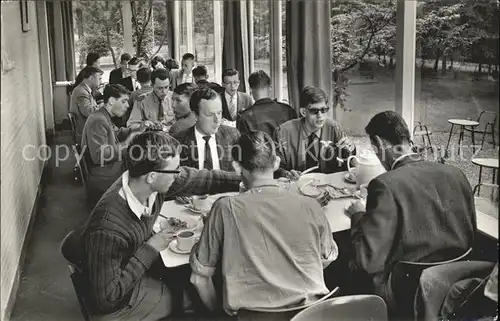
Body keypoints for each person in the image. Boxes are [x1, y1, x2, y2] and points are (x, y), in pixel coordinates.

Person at [79, 130, 241, 321]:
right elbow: (106, 299)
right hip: (118, 305)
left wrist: (247, 179)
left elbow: (204, 179)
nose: (178, 175)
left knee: (191, 281)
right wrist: (151, 248)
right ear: (152, 176)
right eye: (175, 170)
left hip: (132, 272)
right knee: (196, 298)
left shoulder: (146, 182)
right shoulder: (108, 227)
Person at [190, 131, 338, 318]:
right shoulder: (311, 205)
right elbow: (325, 258)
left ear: (236, 167)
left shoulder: (224, 207)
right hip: (312, 314)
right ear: (276, 162)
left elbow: (198, 279)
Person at [345, 111, 476, 306]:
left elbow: (368, 260)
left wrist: (358, 216)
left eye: (375, 149)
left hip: (411, 289)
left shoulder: (384, 184)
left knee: (349, 266)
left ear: (380, 144)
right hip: (459, 282)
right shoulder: (456, 174)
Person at [274, 86, 355, 180]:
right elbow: (274, 167)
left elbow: (346, 162)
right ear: (303, 112)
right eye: (314, 111)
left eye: (324, 110)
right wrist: (286, 174)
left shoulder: (334, 128)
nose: (320, 116)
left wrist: (350, 149)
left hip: (326, 185)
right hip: (295, 185)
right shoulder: (283, 133)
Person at [80, 84, 143, 205]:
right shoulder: (98, 120)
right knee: (144, 170)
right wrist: (127, 143)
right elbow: (99, 156)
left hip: (105, 170)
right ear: (112, 101)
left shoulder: (103, 115)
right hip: (103, 176)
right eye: (124, 101)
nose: (127, 105)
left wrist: (138, 128)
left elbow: (117, 132)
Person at [173, 88, 240, 172]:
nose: (217, 120)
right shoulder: (178, 142)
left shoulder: (232, 135)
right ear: (195, 116)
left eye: (219, 113)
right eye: (210, 115)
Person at [237, 70, 297, 136]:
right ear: (270, 87)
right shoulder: (289, 110)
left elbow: (244, 144)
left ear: (251, 90)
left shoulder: (245, 117)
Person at [70, 66, 103, 143]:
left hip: (86, 126)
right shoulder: (82, 92)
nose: (101, 82)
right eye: (99, 79)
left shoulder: (83, 89)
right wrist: (105, 105)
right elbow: (89, 112)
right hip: (87, 131)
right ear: (91, 78)